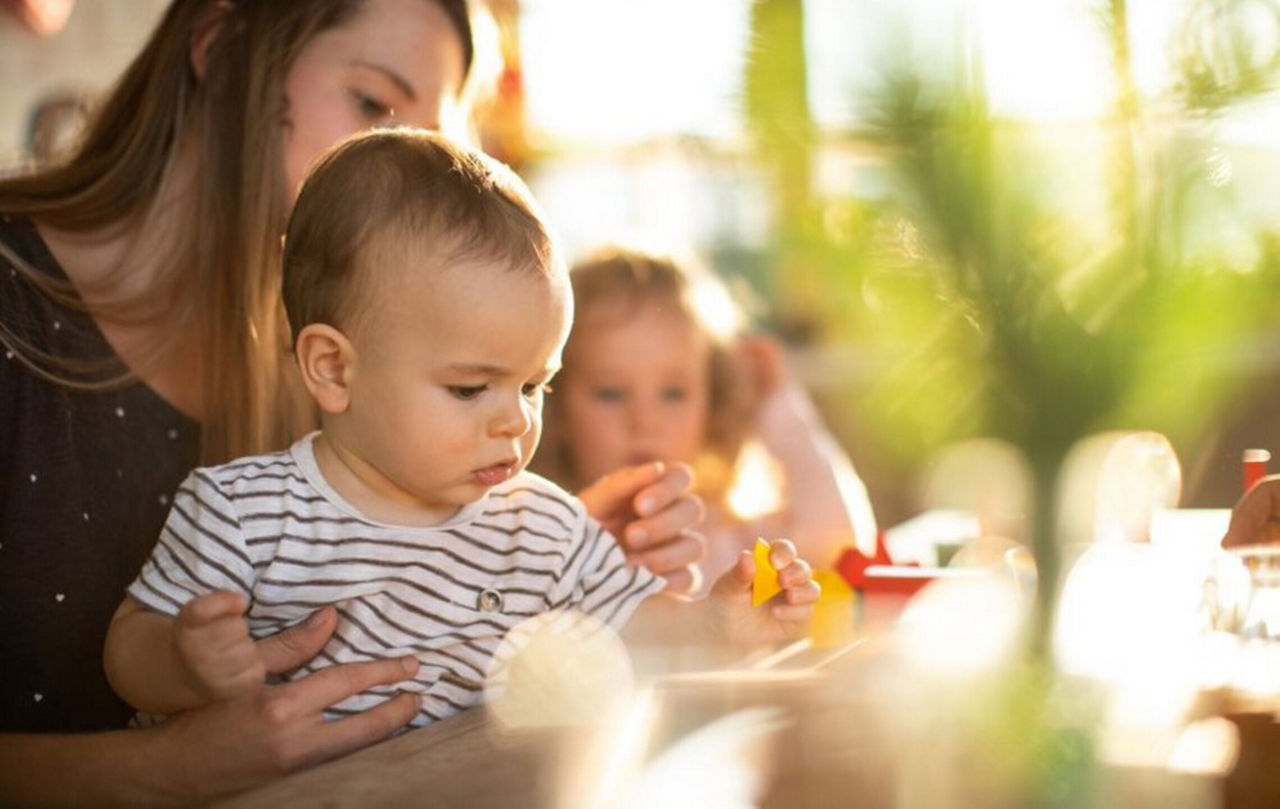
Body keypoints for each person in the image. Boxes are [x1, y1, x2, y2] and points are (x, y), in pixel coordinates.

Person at [0, 0, 699, 802]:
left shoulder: (360, 371)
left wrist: (511, 565)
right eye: (373, 106)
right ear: (223, 48)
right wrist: (164, 770)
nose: (397, 178)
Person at [102, 129, 820, 730]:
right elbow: (128, 648)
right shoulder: (246, 511)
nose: (516, 418)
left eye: (536, 384)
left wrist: (723, 622)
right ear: (333, 368)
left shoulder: (540, 525)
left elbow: (636, 630)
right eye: (472, 387)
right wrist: (184, 663)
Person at [533, 247, 878, 596]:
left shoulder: (732, 540)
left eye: (673, 393)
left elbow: (839, 548)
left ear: (713, 403)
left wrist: (776, 407)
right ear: (555, 405)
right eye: (610, 393)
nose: (645, 421)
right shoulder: (535, 547)